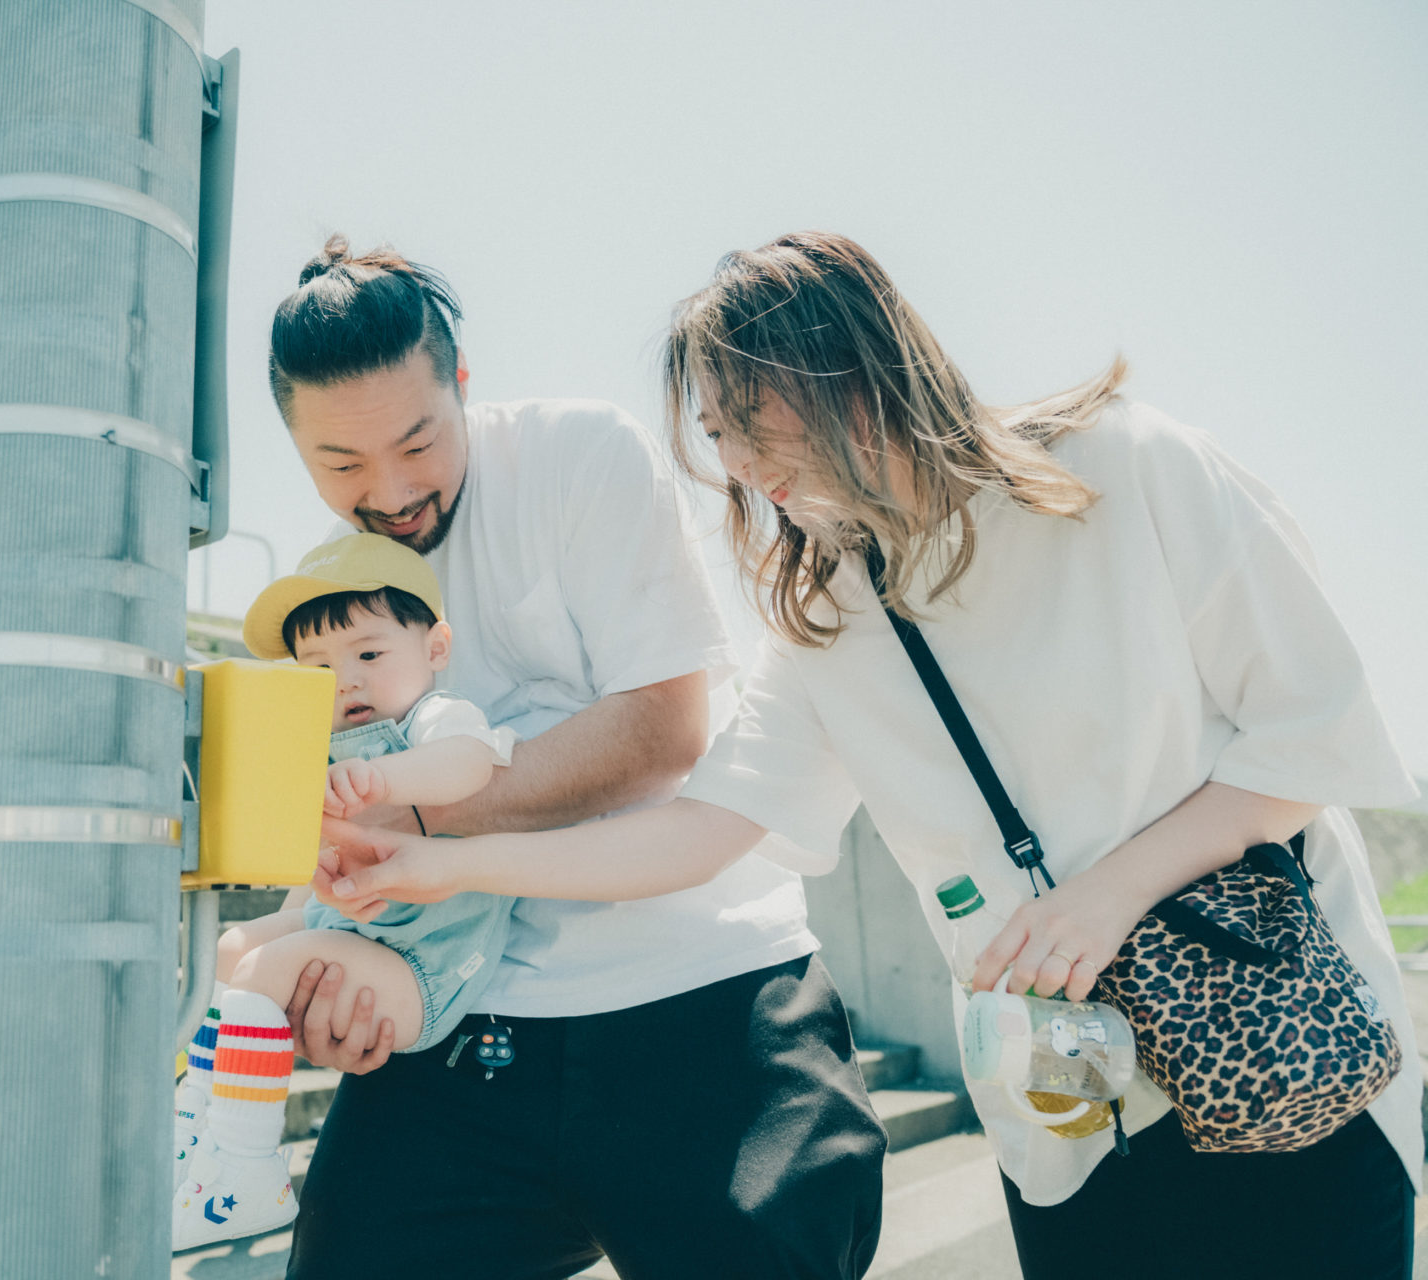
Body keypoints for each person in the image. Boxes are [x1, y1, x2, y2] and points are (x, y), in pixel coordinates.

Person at [324, 232, 1424, 1280]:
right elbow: (700, 828)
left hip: (1287, 1060)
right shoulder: (826, 616)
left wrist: (1109, 896)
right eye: (716, 433)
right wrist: (442, 861)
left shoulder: (1124, 468)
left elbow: (1315, 731)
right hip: (1075, 1124)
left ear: (851, 369)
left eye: (749, 418)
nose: (737, 463)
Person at [271, 237, 887, 1280]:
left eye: (418, 442)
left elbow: (658, 733)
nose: (391, 488)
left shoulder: (577, 456)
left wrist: (411, 817)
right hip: (466, 1015)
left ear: (463, 384)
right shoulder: (333, 585)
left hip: (699, 989)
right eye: (341, 465)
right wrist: (335, 984)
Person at [172, 532, 517, 1249]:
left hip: (423, 967)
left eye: (368, 654)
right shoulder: (324, 743)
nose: (346, 681)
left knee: (265, 968)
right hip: (355, 934)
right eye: (321, 667)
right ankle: (195, 1125)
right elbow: (312, 880)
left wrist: (384, 780)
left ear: (435, 646)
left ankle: (246, 1169)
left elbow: (470, 766)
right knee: (231, 948)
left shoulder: (434, 719)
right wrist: (299, 910)